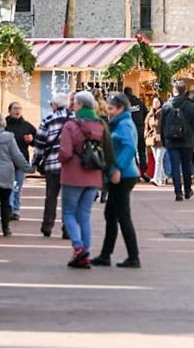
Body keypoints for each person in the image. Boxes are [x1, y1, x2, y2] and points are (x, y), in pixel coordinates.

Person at [58, 91, 114, 268]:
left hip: (73, 175)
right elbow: (108, 151)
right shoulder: (100, 124)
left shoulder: (70, 125)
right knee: (85, 214)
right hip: (93, 176)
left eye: (74, 103)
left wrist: (60, 159)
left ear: (80, 105)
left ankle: (78, 247)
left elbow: (65, 153)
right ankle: (86, 250)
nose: (72, 106)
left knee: (68, 213)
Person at [91, 92, 141, 268]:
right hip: (119, 173)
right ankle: (106, 255)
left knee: (122, 216)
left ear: (120, 108)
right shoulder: (119, 123)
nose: (109, 111)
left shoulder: (124, 124)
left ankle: (133, 256)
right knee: (111, 214)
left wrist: (118, 168)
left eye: (111, 108)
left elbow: (129, 147)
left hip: (124, 175)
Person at [32, 93, 74, 238]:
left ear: (55, 105)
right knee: (68, 198)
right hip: (70, 166)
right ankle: (67, 229)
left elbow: (40, 143)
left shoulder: (48, 120)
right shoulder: (75, 119)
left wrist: (36, 161)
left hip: (52, 164)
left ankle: (47, 226)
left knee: (51, 196)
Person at [160, 80, 194, 202]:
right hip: (187, 140)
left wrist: (164, 140)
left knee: (175, 167)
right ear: (185, 91)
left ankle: (178, 192)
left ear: (174, 91)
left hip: (171, 141)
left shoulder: (167, 105)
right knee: (186, 166)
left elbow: (162, 125)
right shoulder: (190, 105)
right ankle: (187, 190)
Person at [4, 101, 37, 220]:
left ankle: (15, 210)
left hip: (21, 161)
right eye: (15, 108)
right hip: (6, 161)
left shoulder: (27, 126)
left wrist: (31, 140)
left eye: (19, 108)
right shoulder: (4, 125)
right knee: (8, 187)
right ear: (9, 110)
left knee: (17, 186)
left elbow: (37, 141)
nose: (17, 111)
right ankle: (8, 209)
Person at [125, 86, 151, 182]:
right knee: (141, 151)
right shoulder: (139, 103)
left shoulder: (124, 104)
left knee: (132, 152)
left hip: (130, 130)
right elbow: (146, 114)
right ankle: (143, 171)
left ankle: (136, 172)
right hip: (140, 129)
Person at [145, 97, 167, 186]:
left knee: (158, 159)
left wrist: (159, 133)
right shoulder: (150, 114)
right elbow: (146, 125)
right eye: (154, 102)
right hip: (152, 140)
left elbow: (163, 125)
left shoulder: (163, 113)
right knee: (158, 160)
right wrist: (146, 134)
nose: (155, 103)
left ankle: (156, 178)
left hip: (162, 139)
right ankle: (163, 177)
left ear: (161, 103)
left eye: (157, 102)